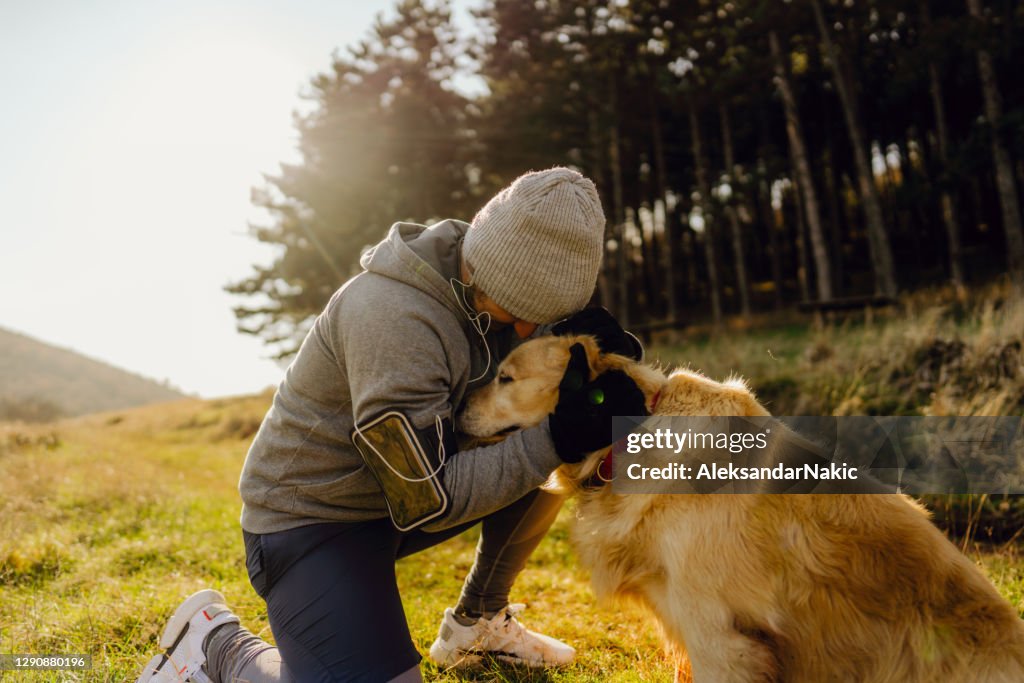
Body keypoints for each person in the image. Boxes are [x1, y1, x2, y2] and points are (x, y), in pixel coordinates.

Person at [137, 167, 647, 683]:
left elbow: (563, 408)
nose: (525, 330)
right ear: (489, 267)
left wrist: (609, 368)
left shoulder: (498, 297)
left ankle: (478, 621)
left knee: (552, 430)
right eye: (521, 311)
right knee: (550, 439)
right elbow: (424, 501)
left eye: (541, 319)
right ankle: (218, 647)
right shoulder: (391, 318)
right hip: (313, 522)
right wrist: (557, 437)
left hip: (399, 498)